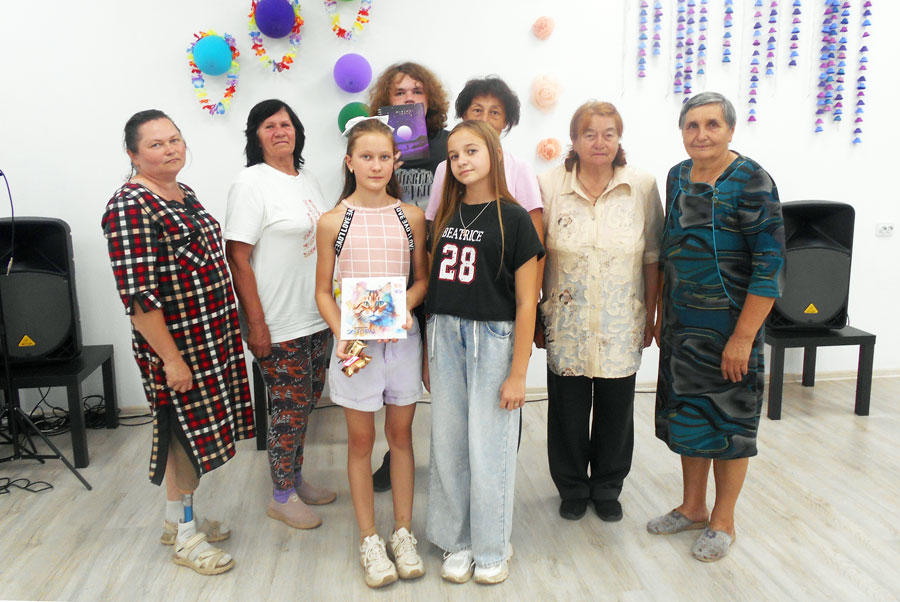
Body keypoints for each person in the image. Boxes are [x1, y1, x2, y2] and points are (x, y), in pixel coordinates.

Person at [101, 109, 254, 575]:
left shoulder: (181, 192)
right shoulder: (130, 206)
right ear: (133, 154)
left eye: (175, 139)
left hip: (211, 340)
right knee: (185, 435)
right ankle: (187, 538)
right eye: (156, 144)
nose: (170, 149)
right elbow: (139, 298)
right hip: (178, 348)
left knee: (183, 434)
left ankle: (175, 520)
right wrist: (171, 359)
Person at [649, 92, 785, 562]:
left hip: (731, 329)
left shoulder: (752, 181)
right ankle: (692, 507)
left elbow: (770, 268)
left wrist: (743, 338)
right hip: (683, 327)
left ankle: (723, 520)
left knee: (730, 423)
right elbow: (669, 250)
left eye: (712, 124)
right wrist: (661, 315)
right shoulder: (677, 176)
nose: (701, 134)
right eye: (692, 125)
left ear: (730, 129)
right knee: (690, 417)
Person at [426, 120, 543, 585]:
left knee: (489, 447)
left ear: (494, 153)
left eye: (471, 151)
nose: (462, 161)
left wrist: (518, 373)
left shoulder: (513, 218)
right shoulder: (446, 215)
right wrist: (429, 355)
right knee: (449, 444)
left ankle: (492, 546)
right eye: (454, 155)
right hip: (445, 335)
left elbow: (526, 302)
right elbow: (435, 288)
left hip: (492, 339)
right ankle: (457, 541)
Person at [314, 116, 428, 588]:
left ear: (395, 161)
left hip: (401, 341)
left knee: (400, 436)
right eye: (367, 157)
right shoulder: (332, 221)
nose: (376, 165)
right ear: (350, 162)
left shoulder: (411, 216)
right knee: (360, 442)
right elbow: (323, 291)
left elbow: (421, 280)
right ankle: (369, 537)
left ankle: (402, 531)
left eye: (384, 157)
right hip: (356, 344)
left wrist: (406, 307)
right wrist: (342, 332)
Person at [537, 101, 663, 522]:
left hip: (621, 319)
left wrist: (652, 314)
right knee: (567, 411)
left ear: (619, 139)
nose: (599, 142)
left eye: (609, 133)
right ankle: (572, 486)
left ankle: (608, 485)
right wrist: (535, 314)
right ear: (573, 140)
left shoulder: (641, 185)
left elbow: (652, 255)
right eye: (589, 133)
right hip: (566, 320)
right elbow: (536, 255)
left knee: (616, 409)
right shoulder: (549, 184)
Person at [224, 99, 335, 532]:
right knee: (287, 409)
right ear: (256, 136)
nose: (279, 131)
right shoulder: (251, 183)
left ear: (297, 132)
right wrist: (255, 323)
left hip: (316, 315)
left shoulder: (307, 179)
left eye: (285, 124)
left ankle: (296, 477)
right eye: (268, 126)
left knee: (306, 403)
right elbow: (238, 258)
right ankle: (281, 495)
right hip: (278, 320)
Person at [367, 62, 450, 490]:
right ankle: (394, 454)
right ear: (386, 99)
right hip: (388, 274)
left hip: (441, 272)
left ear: (430, 98)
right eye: (399, 92)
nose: (409, 98)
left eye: (417, 90)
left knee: (439, 376)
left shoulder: (449, 144)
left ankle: (449, 464)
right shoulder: (377, 145)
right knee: (392, 376)